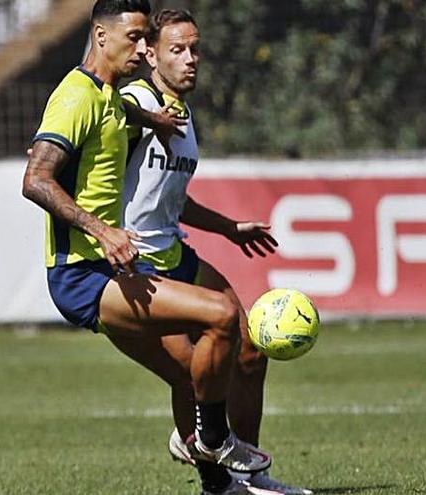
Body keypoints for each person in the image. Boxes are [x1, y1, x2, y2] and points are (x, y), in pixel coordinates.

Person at [21, 1, 272, 494]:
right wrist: (101, 229)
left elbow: (115, 111)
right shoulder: (74, 98)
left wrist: (148, 119)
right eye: (134, 39)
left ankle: (217, 474)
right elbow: (35, 179)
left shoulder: (109, 95)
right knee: (221, 318)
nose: (142, 49)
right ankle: (214, 439)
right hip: (82, 275)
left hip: (111, 270)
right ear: (100, 36)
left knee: (196, 370)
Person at [117, 10, 313, 495]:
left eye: (195, 49)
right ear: (151, 54)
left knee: (249, 352)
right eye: (177, 50)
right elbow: (105, 117)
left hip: (176, 253)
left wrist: (228, 228)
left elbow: (171, 198)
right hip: (136, 266)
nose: (190, 60)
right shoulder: (136, 100)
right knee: (192, 373)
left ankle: (249, 476)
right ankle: (215, 478)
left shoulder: (183, 115)